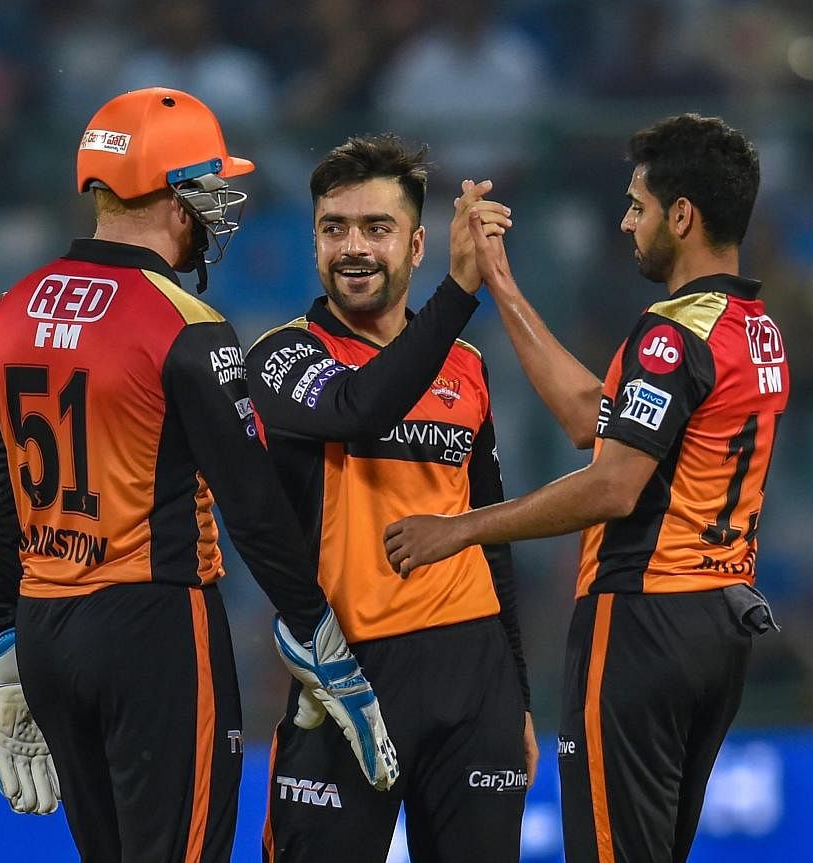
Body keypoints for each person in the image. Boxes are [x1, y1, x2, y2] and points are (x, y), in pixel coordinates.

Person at [0, 87, 396, 863]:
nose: (219, 209)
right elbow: (253, 505)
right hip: (153, 630)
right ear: (172, 191)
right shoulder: (185, 326)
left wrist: (4, 645)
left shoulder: (4, 313)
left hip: (46, 635)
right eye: (210, 187)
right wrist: (314, 629)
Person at [384, 113, 788, 863]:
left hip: (641, 619)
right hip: (717, 624)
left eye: (638, 205)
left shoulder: (668, 335)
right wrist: (498, 282)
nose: (627, 221)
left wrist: (462, 527)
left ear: (682, 216)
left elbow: (612, 486)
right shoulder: (750, 326)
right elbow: (588, 418)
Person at [244, 134, 535, 863]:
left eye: (376, 228)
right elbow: (355, 409)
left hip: (475, 682)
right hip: (344, 679)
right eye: (333, 227)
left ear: (416, 243)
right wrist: (459, 293)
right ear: (313, 241)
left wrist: (518, 694)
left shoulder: (465, 364)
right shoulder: (281, 355)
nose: (353, 248)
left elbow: (487, 535)